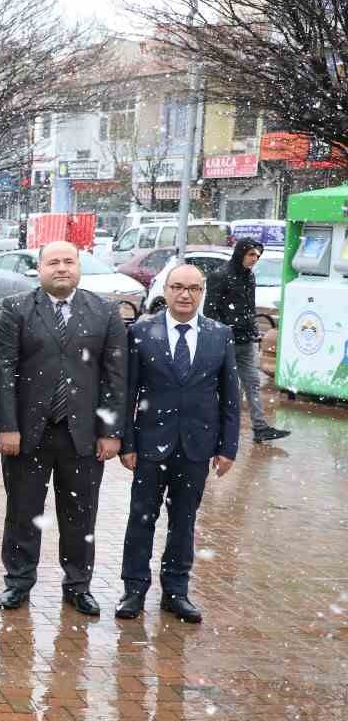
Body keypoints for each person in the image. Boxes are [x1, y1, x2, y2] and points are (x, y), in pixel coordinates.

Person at [0, 240, 127, 616]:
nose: (62, 268)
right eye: (54, 262)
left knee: (81, 514)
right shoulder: (16, 309)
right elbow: (3, 371)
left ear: (79, 268)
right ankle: (18, 582)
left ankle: (78, 584)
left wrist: (111, 430)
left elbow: (116, 375)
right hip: (28, 433)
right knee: (22, 509)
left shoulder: (105, 312)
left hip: (82, 434)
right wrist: (6, 426)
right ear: (40, 269)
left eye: (69, 261)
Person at [117, 263, 240, 624]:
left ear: (202, 293)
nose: (185, 295)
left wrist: (228, 447)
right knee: (141, 518)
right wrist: (127, 442)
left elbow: (230, 397)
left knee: (184, 522)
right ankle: (134, 589)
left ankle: (176, 591)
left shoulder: (220, 335)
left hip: (197, 447)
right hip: (151, 444)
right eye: (178, 287)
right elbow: (129, 393)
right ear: (166, 291)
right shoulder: (142, 331)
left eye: (193, 289)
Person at [205, 238, 288, 442]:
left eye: (258, 256)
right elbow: (210, 311)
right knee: (225, 386)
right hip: (227, 342)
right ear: (241, 253)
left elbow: (249, 308)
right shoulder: (220, 276)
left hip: (246, 341)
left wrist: (251, 330)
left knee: (252, 383)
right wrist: (225, 332)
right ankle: (214, 427)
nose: (255, 259)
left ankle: (260, 427)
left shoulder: (249, 277)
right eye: (251, 254)